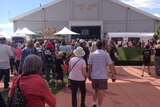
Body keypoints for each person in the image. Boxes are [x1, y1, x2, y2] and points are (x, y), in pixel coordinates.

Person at [88, 40, 116, 107]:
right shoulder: (106, 54)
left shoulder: (92, 54)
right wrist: (113, 75)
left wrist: (88, 74)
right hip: (103, 76)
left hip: (94, 75)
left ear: (96, 46)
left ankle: (94, 103)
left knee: (95, 90)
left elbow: (90, 67)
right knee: (101, 92)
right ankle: (99, 105)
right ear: (103, 46)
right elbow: (110, 65)